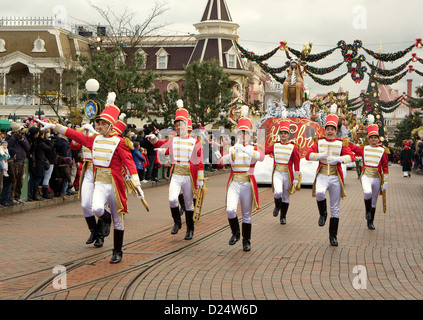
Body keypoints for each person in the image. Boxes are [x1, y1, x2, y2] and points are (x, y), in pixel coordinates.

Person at [37, 92, 146, 264]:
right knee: (96, 209)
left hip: (115, 184)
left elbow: (130, 163)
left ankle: (117, 251)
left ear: (110, 125)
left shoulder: (120, 142)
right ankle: (106, 219)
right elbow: (75, 135)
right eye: (98, 123)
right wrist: (54, 127)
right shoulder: (93, 140)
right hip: (100, 182)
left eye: (102, 123)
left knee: (119, 220)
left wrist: (137, 184)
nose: (99, 126)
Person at [147, 100, 204, 240]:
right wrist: (153, 139)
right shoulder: (173, 140)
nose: (178, 127)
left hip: (189, 176)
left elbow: (200, 160)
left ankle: (190, 229)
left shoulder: (195, 142)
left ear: (186, 126)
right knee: (172, 199)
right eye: (177, 125)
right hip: (176, 174)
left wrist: (200, 178)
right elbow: (160, 143)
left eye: (181, 125)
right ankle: (177, 222)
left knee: (189, 204)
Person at [305, 104, 355, 246]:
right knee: (319, 193)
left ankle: (333, 236)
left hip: (335, 177)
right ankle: (322, 213)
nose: (330, 132)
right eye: (328, 129)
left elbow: (351, 156)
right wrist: (320, 155)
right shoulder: (319, 142)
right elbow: (308, 155)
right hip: (322, 174)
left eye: (332, 129)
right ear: (325, 130)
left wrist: (339, 159)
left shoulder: (341, 143)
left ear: (336, 131)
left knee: (335, 208)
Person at [218, 106, 265, 251]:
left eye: (246, 133)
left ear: (250, 135)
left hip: (247, 183)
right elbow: (221, 163)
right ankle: (235, 232)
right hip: (234, 182)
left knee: (246, 215)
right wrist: (225, 157)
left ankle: (246, 240)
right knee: (231, 210)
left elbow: (261, 157)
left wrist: (246, 149)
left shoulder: (253, 149)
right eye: (241, 133)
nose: (243, 136)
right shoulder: (232, 148)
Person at [349, 115, 389, 230]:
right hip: (366, 175)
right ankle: (367, 212)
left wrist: (385, 180)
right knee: (367, 192)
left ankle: (370, 222)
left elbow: (385, 166)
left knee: (374, 201)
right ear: (368, 139)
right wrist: (347, 143)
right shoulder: (364, 148)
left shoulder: (383, 151)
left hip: (377, 177)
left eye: (375, 138)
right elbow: (355, 149)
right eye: (371, 138)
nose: (373, 140)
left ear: (378, 138)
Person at [69, 122, 105, 247]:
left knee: (99, 205)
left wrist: (93, 131)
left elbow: (102, 143)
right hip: (88, 171)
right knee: (85, 204)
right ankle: (93, 231)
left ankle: (100, 234)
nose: (98, 125)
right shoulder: (87, 134)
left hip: (101, 172)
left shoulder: (101, 135)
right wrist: (79, 134)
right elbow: (74, 146)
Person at [264, 113, 300, 224]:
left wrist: (296, 177)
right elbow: (264, 150)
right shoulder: (275, 145)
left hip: (288, 174)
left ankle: (283, 216)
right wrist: (252, 149)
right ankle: (276, 207)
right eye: (282, 133)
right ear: (279, 134)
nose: (283, 135)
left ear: (288, 135)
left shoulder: (293, 147)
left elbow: (297, 162)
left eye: (285, 133)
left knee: (286, 197)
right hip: (277, 173)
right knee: (277, 192)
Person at [5, 122, 30, 203]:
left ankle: (17, 196)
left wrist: (21, 138)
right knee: (14, 180)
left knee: (20, 181)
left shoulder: (22, 137)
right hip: (14, 161)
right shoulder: (9, 137)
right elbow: (7, 145)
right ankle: (11, 198)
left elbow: (27, 147)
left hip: (21, 161)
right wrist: (14, 137)